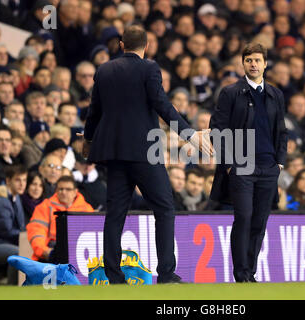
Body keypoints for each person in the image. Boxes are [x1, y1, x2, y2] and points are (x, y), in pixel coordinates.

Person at [81, 25, 212, 284]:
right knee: (164, 207)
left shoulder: (104, 70)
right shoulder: (149, 68)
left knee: (116, 212)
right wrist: (190, 133)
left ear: (120, 44)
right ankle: (165, 273)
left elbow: (94, 111)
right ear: (147, 45)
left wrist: (88, 139)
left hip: (114, 153)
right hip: (143, 151)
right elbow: (161, 104)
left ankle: (114, 276)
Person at [209, 43, 287, 282]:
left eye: (257, 60)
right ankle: (241, 273)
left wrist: (280, 163)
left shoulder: (276, 94)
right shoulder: (231, 93)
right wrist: (230, 163)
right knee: (243, 216)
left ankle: (250, 273)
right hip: (241, 166)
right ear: (243, 64)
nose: (253, 64)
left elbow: (282, 132)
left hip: (268, 168)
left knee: (259, 221)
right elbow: (216, 129)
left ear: (265, 64)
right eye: (249, 60)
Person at [27, 175, 94, 262]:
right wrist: (46, 252)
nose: (63, 192)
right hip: (51, 253)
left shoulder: (87, 209)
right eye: (60, 189)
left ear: (75, 192)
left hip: (81, 254)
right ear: (56, 191)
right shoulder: (45, 207)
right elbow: (36, 233)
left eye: (68, 189)